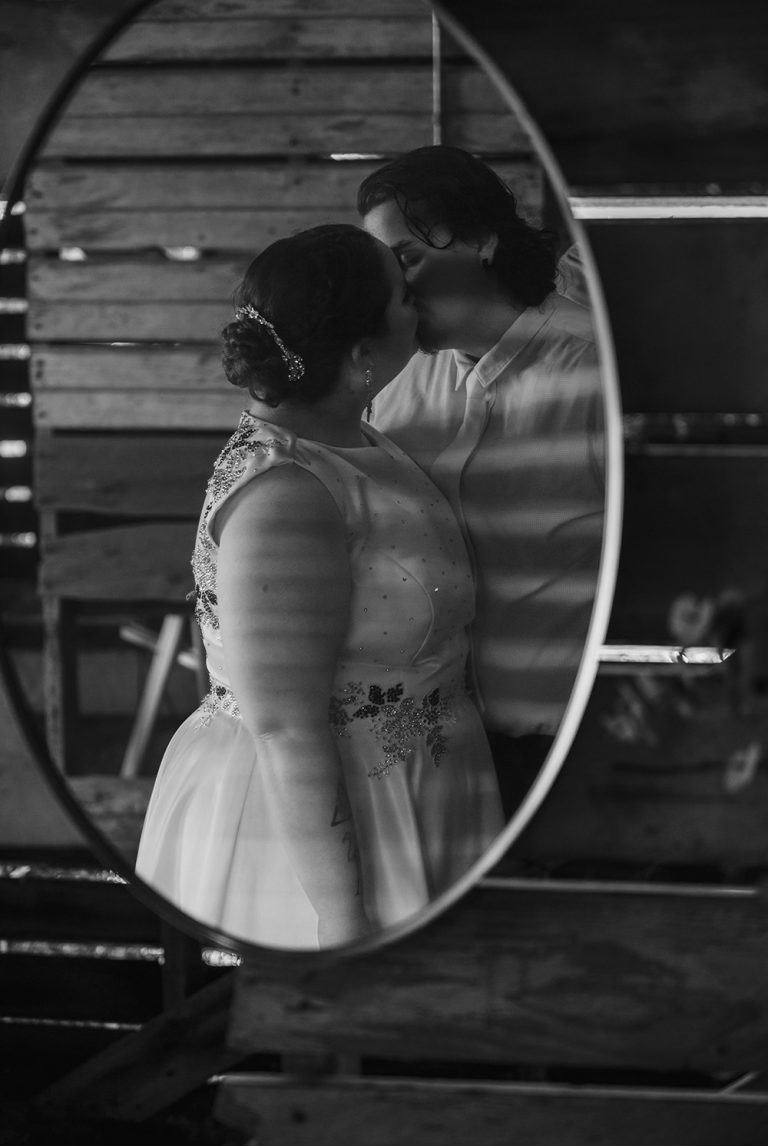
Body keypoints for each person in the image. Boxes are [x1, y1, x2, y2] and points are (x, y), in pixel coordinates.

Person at [135, 224, 504, 950]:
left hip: (423, 787)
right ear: (363, 354)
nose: (419, 303)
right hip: (325, 820)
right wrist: (343, 918)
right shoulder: (284, 495)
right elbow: (285, 725)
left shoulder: (355, 437)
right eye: (403, 295)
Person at [358, 146, 605, 817]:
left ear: (485, 240)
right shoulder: (392, 388)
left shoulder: (597, 375)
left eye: (406, 256)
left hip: (570, 743)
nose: (394, 288)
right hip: (435, 748)